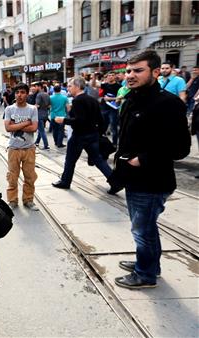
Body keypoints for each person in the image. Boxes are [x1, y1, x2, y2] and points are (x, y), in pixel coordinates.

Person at [112, 50, 190, 289]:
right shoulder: (131, 98)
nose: (130, 75)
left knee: (142, 229)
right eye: (128, 71)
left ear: (156, 72)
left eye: (138, 70)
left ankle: (145, 274)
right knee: (144, 227)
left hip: (152, 180)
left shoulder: (168, 103)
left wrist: (142, 159)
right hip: (133, 177)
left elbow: (181, 148)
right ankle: (148, 264)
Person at [52, 77, 115, 192]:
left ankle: (65, 181)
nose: (68, 88)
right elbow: (101, 120)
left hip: (79, 136)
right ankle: (115, 183)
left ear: (77, 86)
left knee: (70, 159)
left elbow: (79, 120)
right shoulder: (92, 99)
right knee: (98, 159)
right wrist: (99, 133)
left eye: (70, 86)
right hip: (92, 135)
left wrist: (64, 120)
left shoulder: (78, 101)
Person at [3, 83, 39, 211]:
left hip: (29, 148)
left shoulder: (32, 109)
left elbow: (34, 128)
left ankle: (28, 200)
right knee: (12, 177)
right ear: (14, 94)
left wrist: (16, 125)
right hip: (14, 149)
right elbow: (8, 128)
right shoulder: (9, 109)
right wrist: (26, 122)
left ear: (27, 93)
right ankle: (12, 200)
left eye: (22, 92)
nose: (19, 95)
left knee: (30, 177)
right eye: (17, 92)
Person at [100, 71, 121, 145]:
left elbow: (121, 97)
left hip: (113, 109)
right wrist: (94, 77)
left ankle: (114, 143)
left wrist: (110, 99)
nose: (110, 76)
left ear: (115, 76)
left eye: (112, 75)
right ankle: (102, 142)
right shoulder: (104, 85)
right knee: (103, 126)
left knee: (113, 127)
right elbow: (94, 87)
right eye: (109, 75)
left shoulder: (119, 86)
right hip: (104, 108)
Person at [34, 83, 51, 149]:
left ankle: (46, 145)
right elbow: (49, 105)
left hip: (39, 115)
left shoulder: (39, 95)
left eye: (36, 86)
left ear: (39, 87)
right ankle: (37, 142)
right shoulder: (47, 94)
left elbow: (37, 105)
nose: (35, 88)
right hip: (45, 114)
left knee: (41, 131)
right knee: (41, 129)